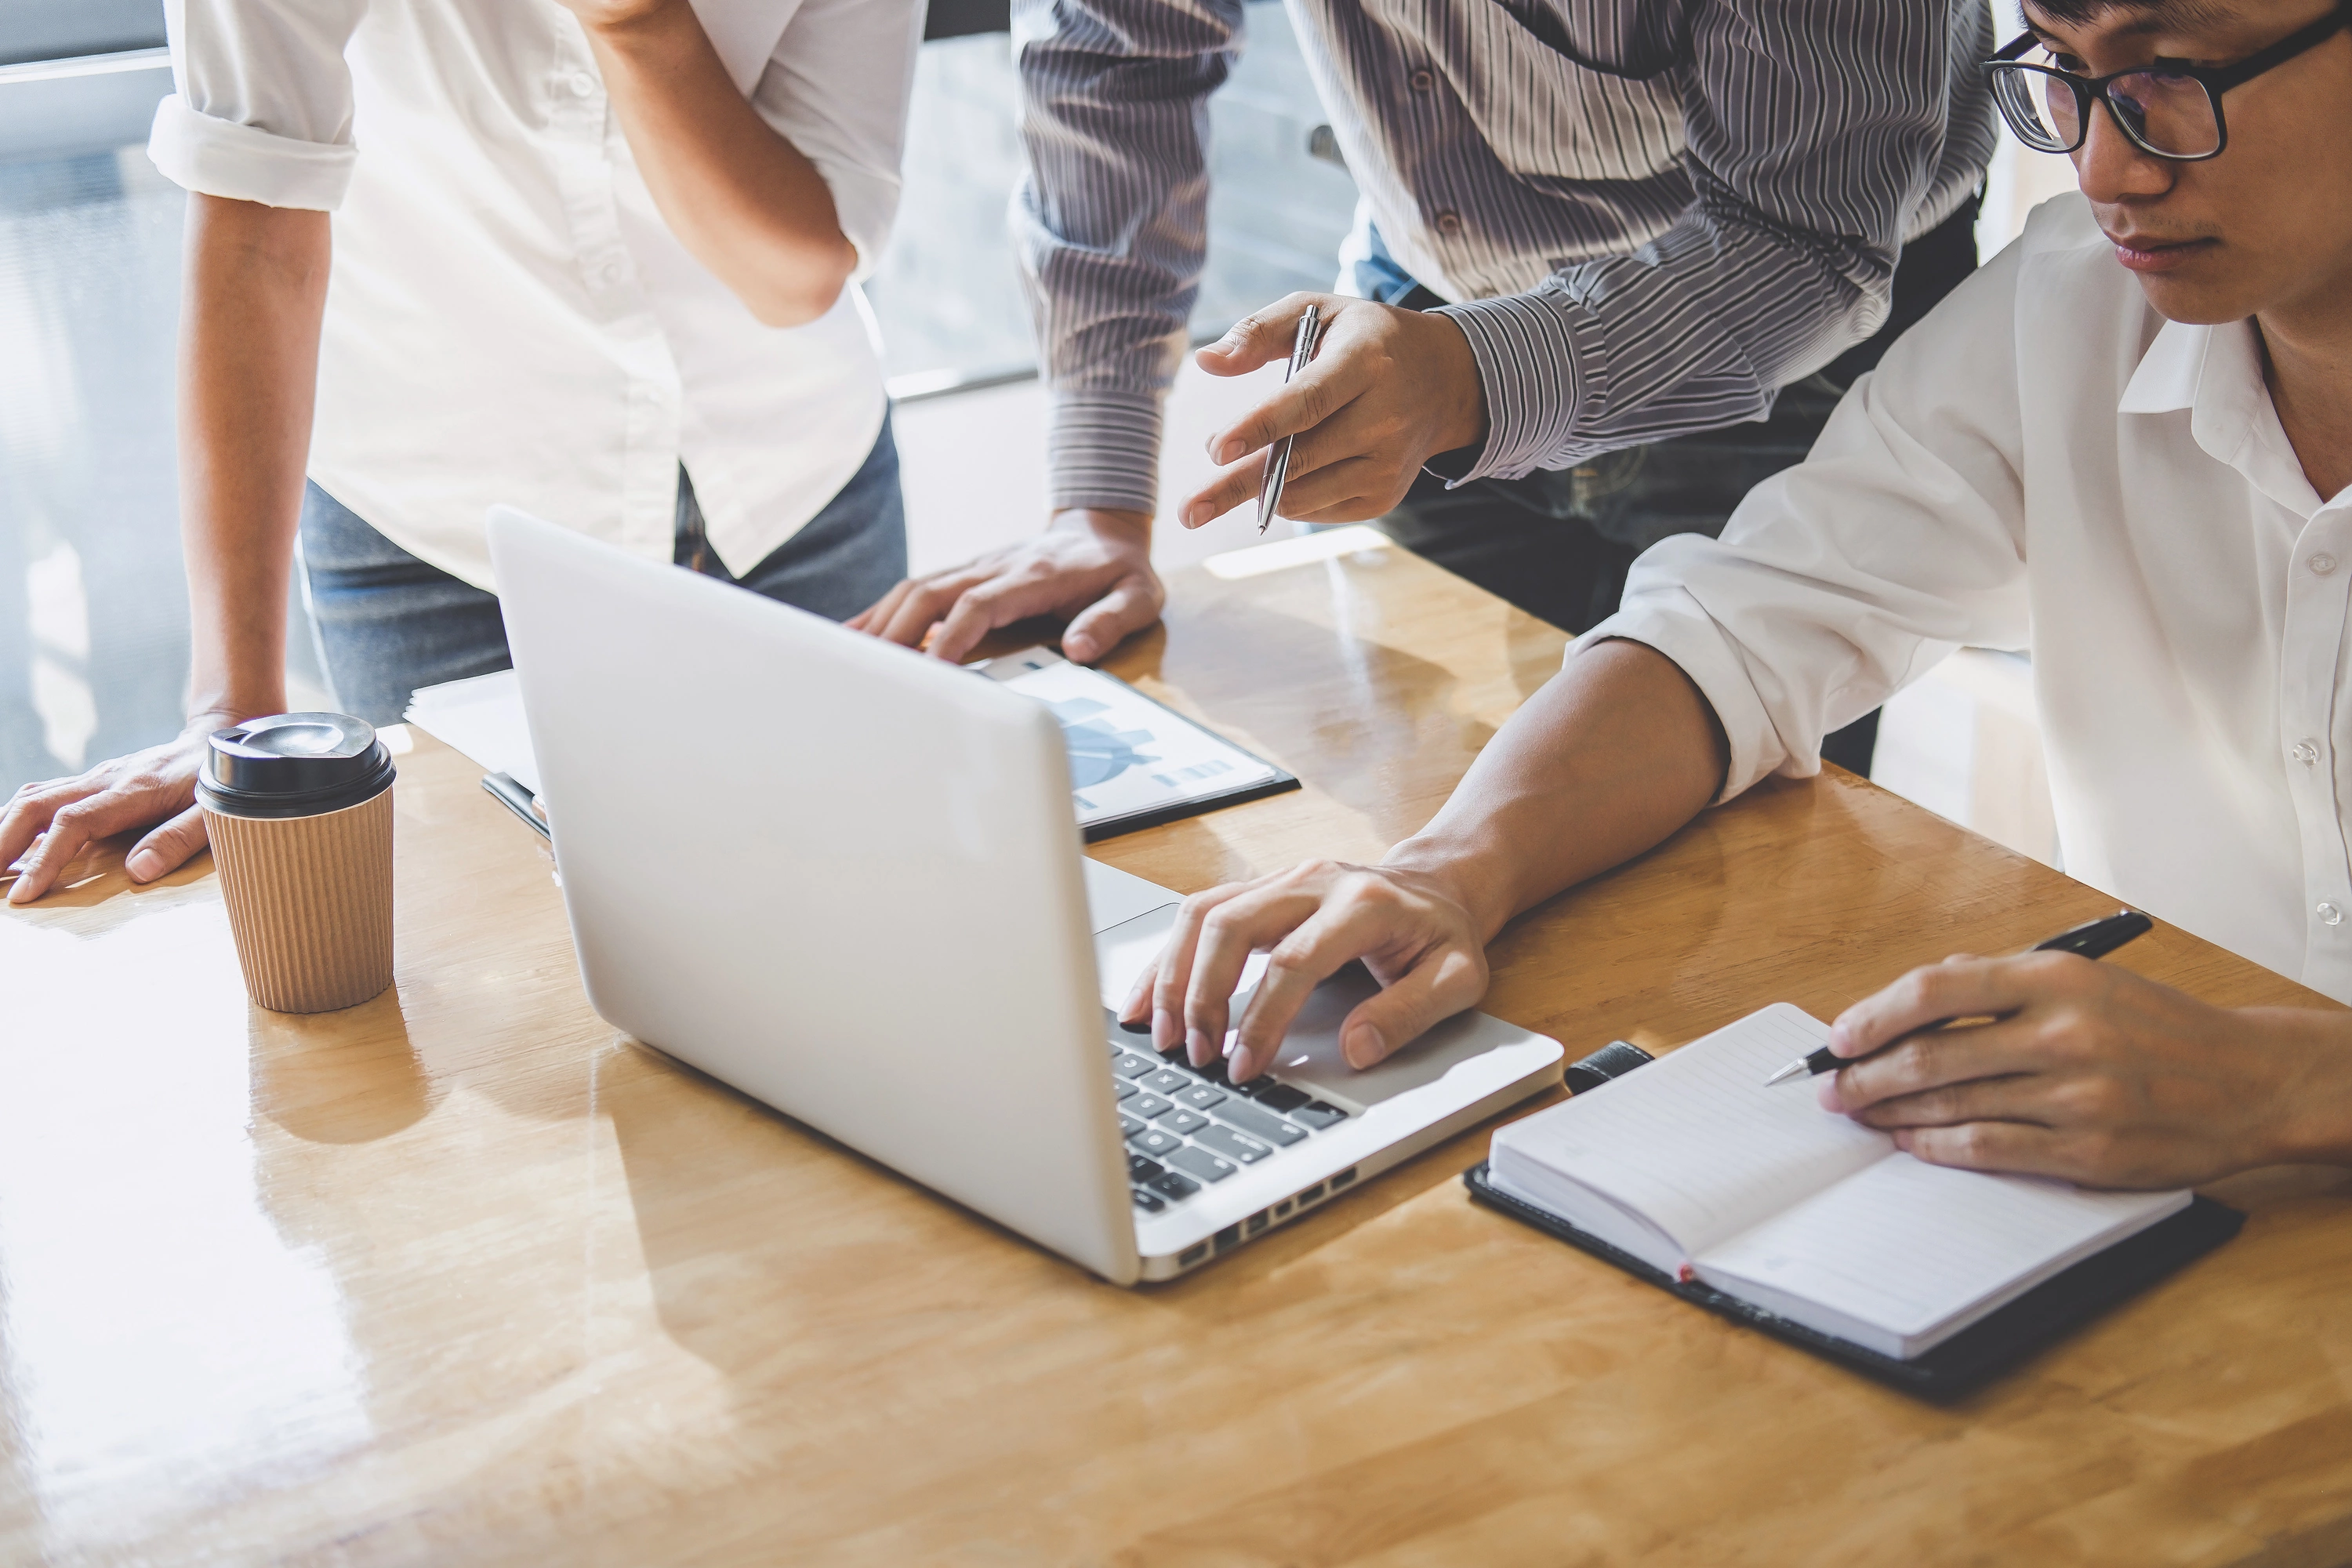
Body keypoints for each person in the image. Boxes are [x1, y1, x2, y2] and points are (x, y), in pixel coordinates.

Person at [1121, 0, 2352, 1189]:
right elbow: (1746, 621)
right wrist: (1445, 871)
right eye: (2069, 76)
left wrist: (2283, 1086)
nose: (2104, 170)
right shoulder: (2072, 304)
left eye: (2169, 75)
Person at [0, 0, 1105, 906]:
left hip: (794, 485)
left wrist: (636, 25)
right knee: (500, 1006)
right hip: (435, 529)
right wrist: (231, 716)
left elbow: (799, 270)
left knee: (858, 932)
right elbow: (257, 225)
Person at [867, 0, 1996, 776]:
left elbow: (1801, 237)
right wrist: (1098, 506)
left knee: (1734, 895)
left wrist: (1467, 382)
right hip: (1427, 304)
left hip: (1791, 354)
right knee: (1430, 812)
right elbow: (1120, 62)